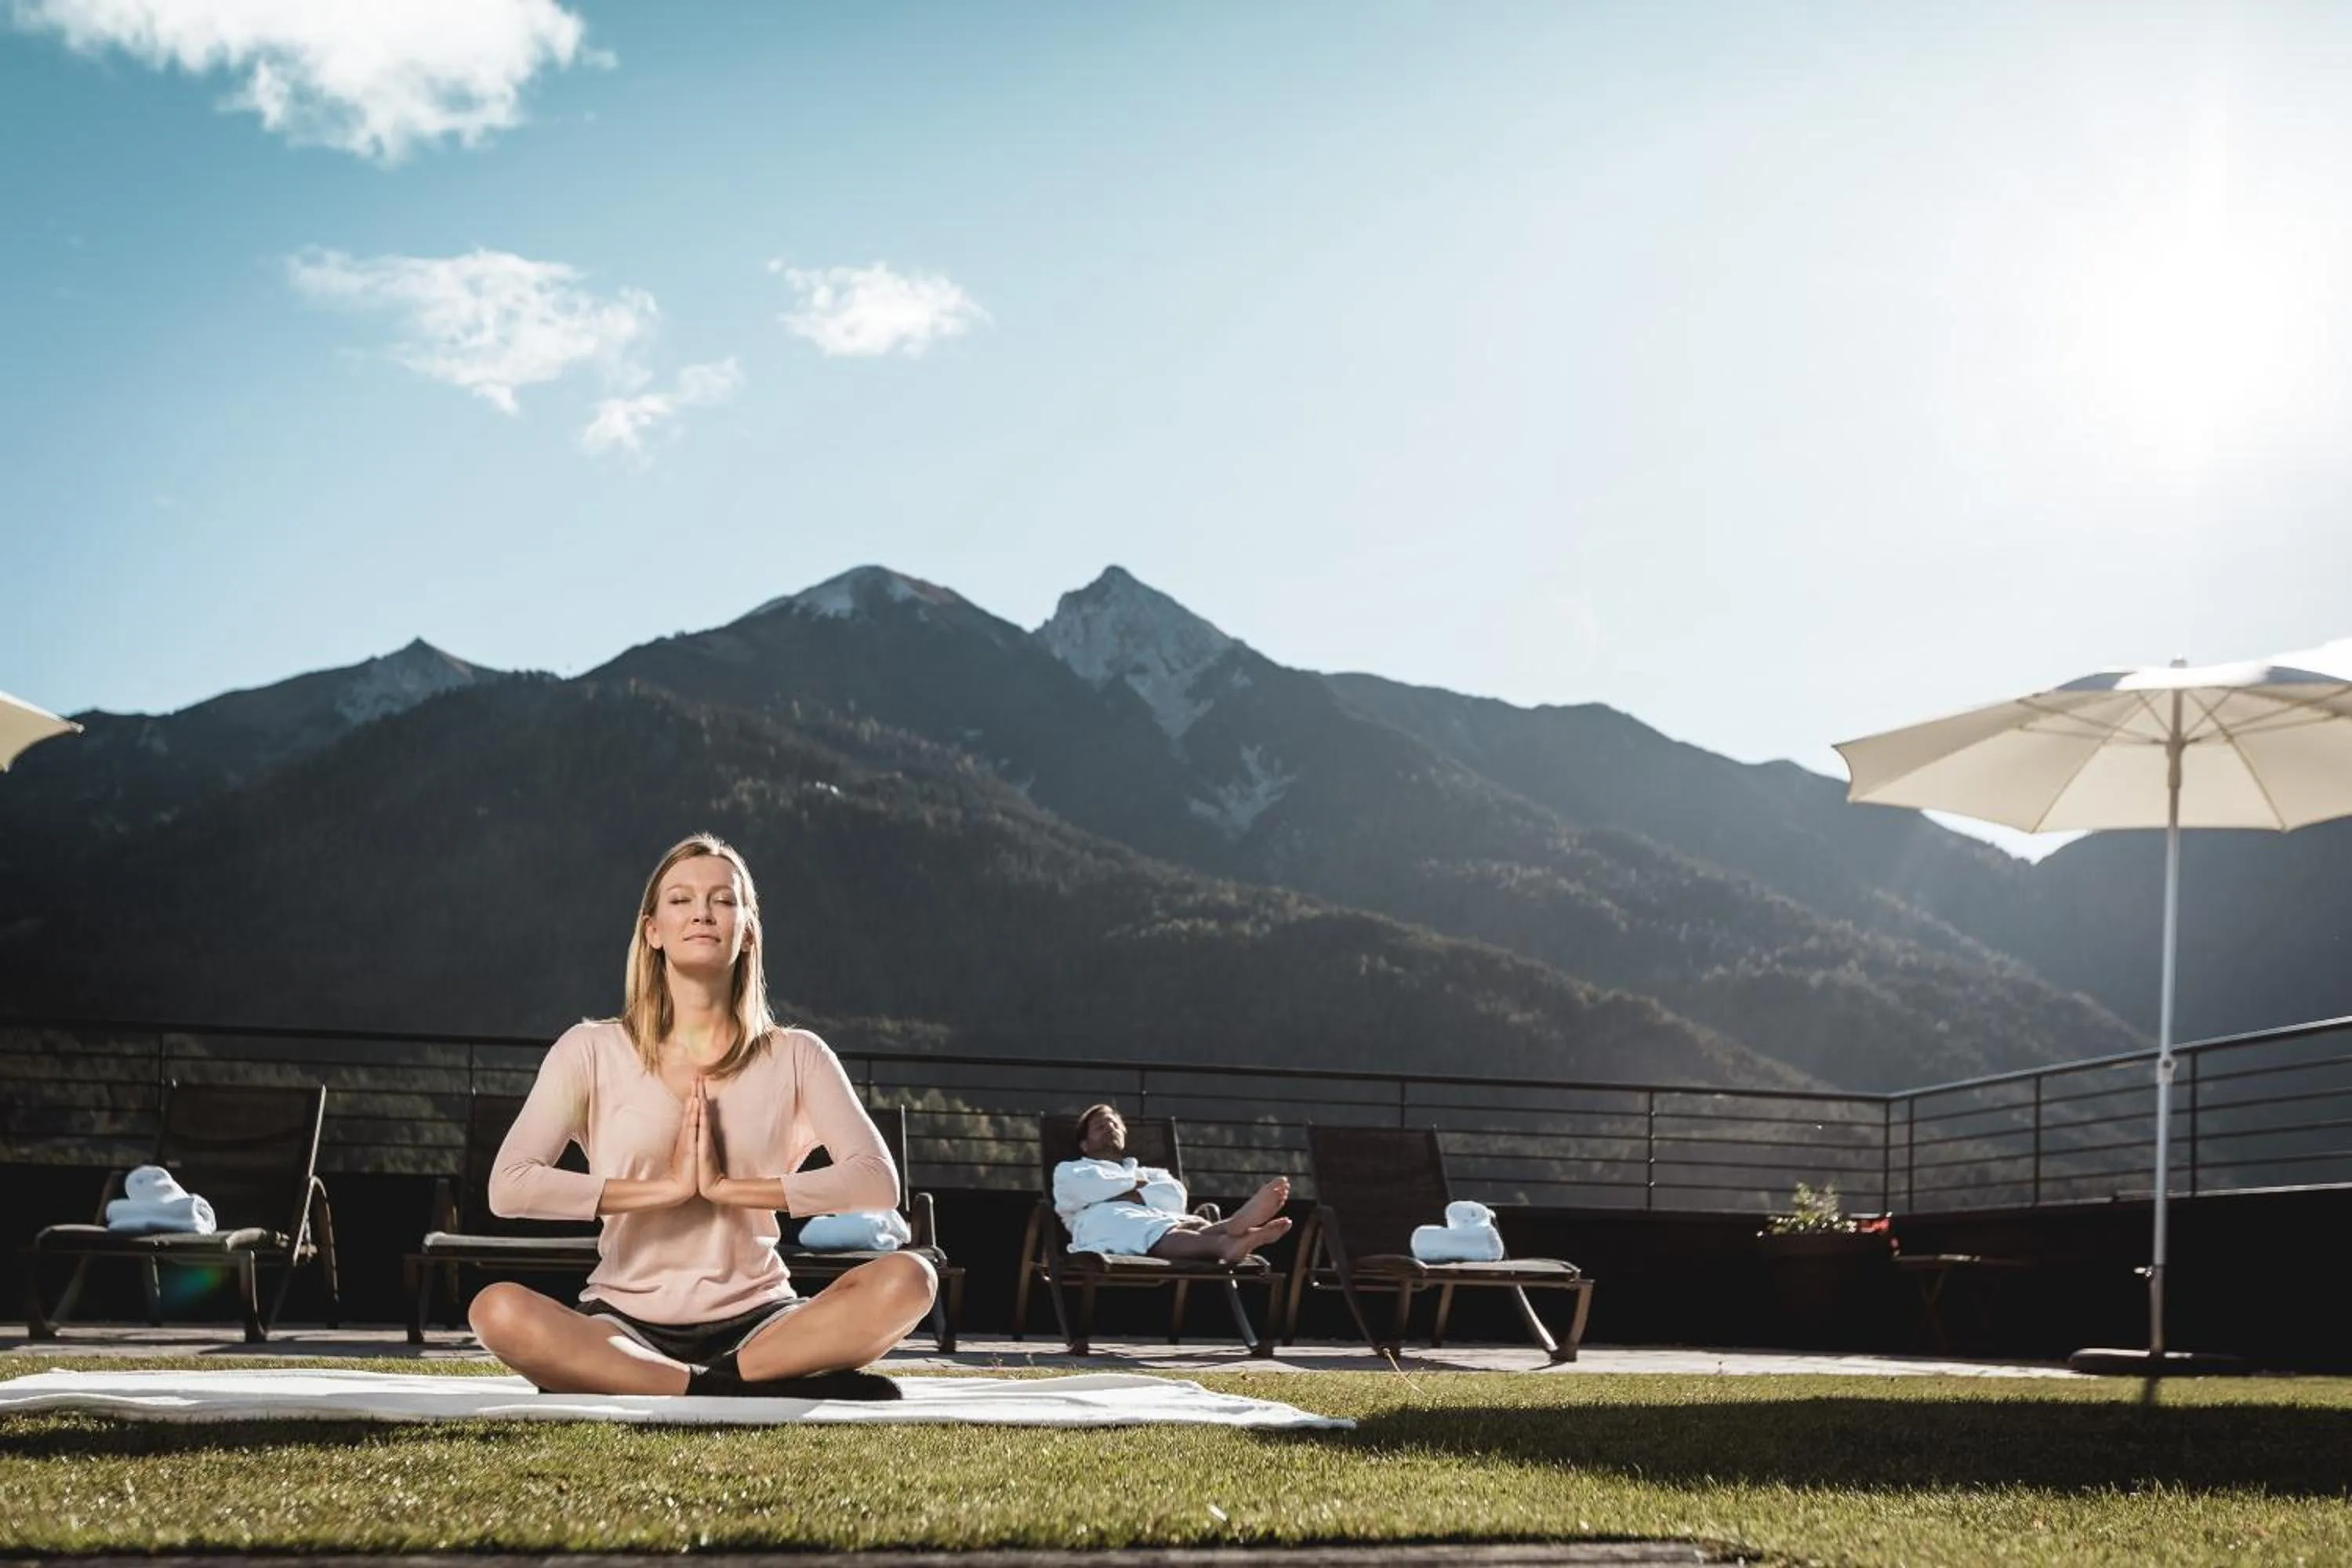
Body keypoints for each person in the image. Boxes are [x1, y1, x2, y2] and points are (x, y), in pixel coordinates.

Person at [468, 833, 936, 1399]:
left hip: (762, 1320)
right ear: (653, 931)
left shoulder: (796, 1055)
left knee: (911, 1280)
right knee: (496, 1310)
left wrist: (725, 1188)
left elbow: (876, 1180)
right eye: (681, 899)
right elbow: (510, 1187)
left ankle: (710, 1378)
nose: (703, 913)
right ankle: (732, 1385)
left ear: (747, 931)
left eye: (723, 899)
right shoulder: (589, 1051)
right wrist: (666, 1189)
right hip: (622, 1321)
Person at [1051, 1104, 1291, 1264]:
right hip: (1102, 1221)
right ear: (1084, 1145)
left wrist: (1120, 1191)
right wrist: (1137, 1188)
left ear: (1124, 1136)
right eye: (1100, 1127)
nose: (1110, 1129)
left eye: (1114, 1124)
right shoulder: (1072, 1169)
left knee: (1191, 1222)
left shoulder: (1147, 1172)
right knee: (1152, 1230)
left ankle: (1233, 1231)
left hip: (1153, 1218)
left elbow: (1175, 1195)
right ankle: (1228, 1236)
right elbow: (1083, 1188)